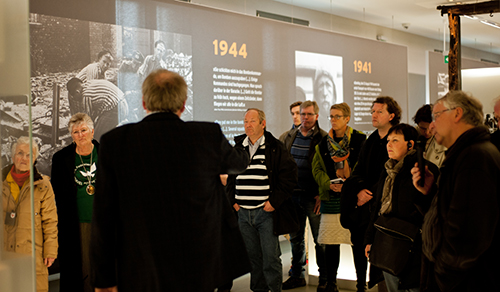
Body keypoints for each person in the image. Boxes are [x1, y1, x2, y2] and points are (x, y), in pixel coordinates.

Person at [90, 69, 251, 292]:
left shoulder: (115, 142)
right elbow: (239, 164)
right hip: (197, 268)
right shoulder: (207, 136)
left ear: (144, 102)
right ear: (183, 104)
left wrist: (104, 278)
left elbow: (103, 217)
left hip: (139, 267)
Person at [411, 90, 500, 291]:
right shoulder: (466, 155)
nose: (432, 125)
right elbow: (448, 216)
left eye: (437, 116)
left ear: (457, 114)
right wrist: (430, 193)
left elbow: (468, 235)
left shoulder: (475, 157)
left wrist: (443, 273)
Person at [227, 108, 298, 292]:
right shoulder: (238, 147)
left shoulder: (274, 146)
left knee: (270, 259)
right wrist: (233, 202)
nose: (248, 125)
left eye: (252, 121)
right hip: (243, 213)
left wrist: (274, 202)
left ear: (262, 123)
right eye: (245, 122)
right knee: (253, 259)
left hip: (265, 212)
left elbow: (289, 176)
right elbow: (230, 177)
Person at [364, 124, 439, 292]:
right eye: (388, 140)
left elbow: (430, 209)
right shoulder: (388, 170)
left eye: (395, 140)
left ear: (410, 145)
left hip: (414, 248)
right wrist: (370, 239)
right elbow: (377, 208)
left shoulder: (423, 170)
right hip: (387, 244)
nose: (388, 144)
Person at [341, 96, 402, 291]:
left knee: (382, 258)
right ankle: (361, 285)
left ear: (391, 115)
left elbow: (395, 172)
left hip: (385, 208)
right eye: (372, 111)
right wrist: (359, 191)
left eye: (379, 112)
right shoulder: (371, 140)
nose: (373, 115)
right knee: (359, 246)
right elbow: (358, 170)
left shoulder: (398, 138)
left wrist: (372, 193)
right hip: (363, 207)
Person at [311, 103, 366, 292]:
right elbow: (316, 169)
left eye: (337, 116)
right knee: (331, 244)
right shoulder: (323, 143)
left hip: (353, 199)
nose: (333, 120)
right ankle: (331, 284)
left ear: (347, 118)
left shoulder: (360, 140)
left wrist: (350, 185)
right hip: (331, 199)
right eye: (331, 117)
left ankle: (361, 285)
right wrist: (328, 184)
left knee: (357, 244)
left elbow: (363, 167)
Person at [281, 100, 328, 291]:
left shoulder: (323, 138)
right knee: (296, 238)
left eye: (309, 114)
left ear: (316, 116)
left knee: (319, 240)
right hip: (293, 196)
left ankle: (324, 278)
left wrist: (320, 194)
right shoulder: (289, 136)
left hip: (312, 197)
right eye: (302, 114)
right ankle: (297, 275)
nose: (305, 118)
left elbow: (327, 170)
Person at [3, 136, 58, 292]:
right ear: (13, 156)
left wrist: (51, 251)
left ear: (35, 159)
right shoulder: (2, 182)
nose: (24, 158)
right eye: (20, 153)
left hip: (34, 254)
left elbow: (50, 221)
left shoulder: (44, 185)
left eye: (29, 155)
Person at [51, 113, 98, 292]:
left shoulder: (105, 154)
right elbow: (57, 196)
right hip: (74, 224)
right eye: (76, 132)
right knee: (78, 271)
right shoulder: (61, 159)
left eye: (84, 130)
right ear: (71, 135)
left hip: (102, 224)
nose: (80, 135)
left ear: (92, 131)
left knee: (103, 269)